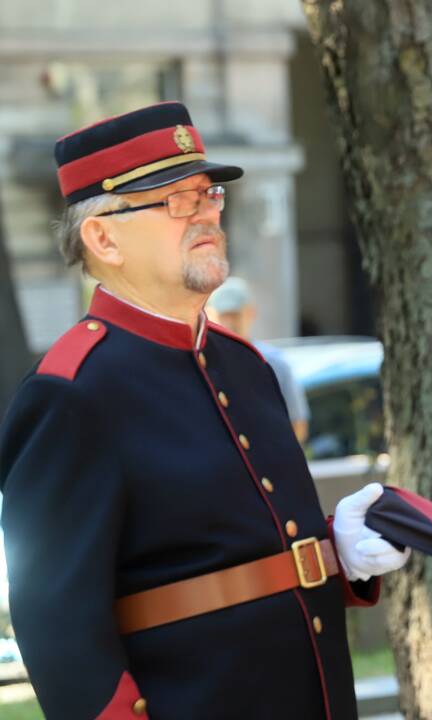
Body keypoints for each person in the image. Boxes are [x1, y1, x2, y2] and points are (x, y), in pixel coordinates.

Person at [0, 102, 408, 719]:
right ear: (103, 236)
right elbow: (59, 634)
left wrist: (334, 552)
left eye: (207, 194)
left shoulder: (244, 366)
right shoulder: (71, 392)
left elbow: (231, 556)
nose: (208, 215)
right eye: (175, 202)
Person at [207, 276, 311, 443]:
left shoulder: (272, 364)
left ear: (250, 313)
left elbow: (298, 424)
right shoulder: (201, 362)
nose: (228, 323)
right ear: (209, 315)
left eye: (234, 315)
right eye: (223, 316)